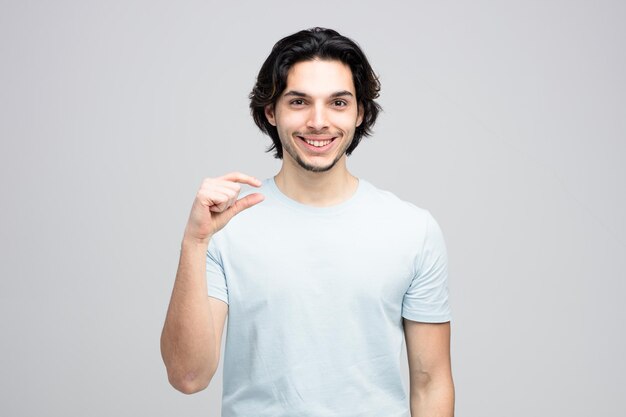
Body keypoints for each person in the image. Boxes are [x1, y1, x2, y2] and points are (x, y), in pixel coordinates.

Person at [161, 27, 454, 417]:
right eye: (299, 101)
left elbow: (431, 382)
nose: (319, 122)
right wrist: (194, 244)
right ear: (271, 111)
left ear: (360, 112)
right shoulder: (226, 226)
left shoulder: (413, 230)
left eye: (338, 102)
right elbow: (188, 377)